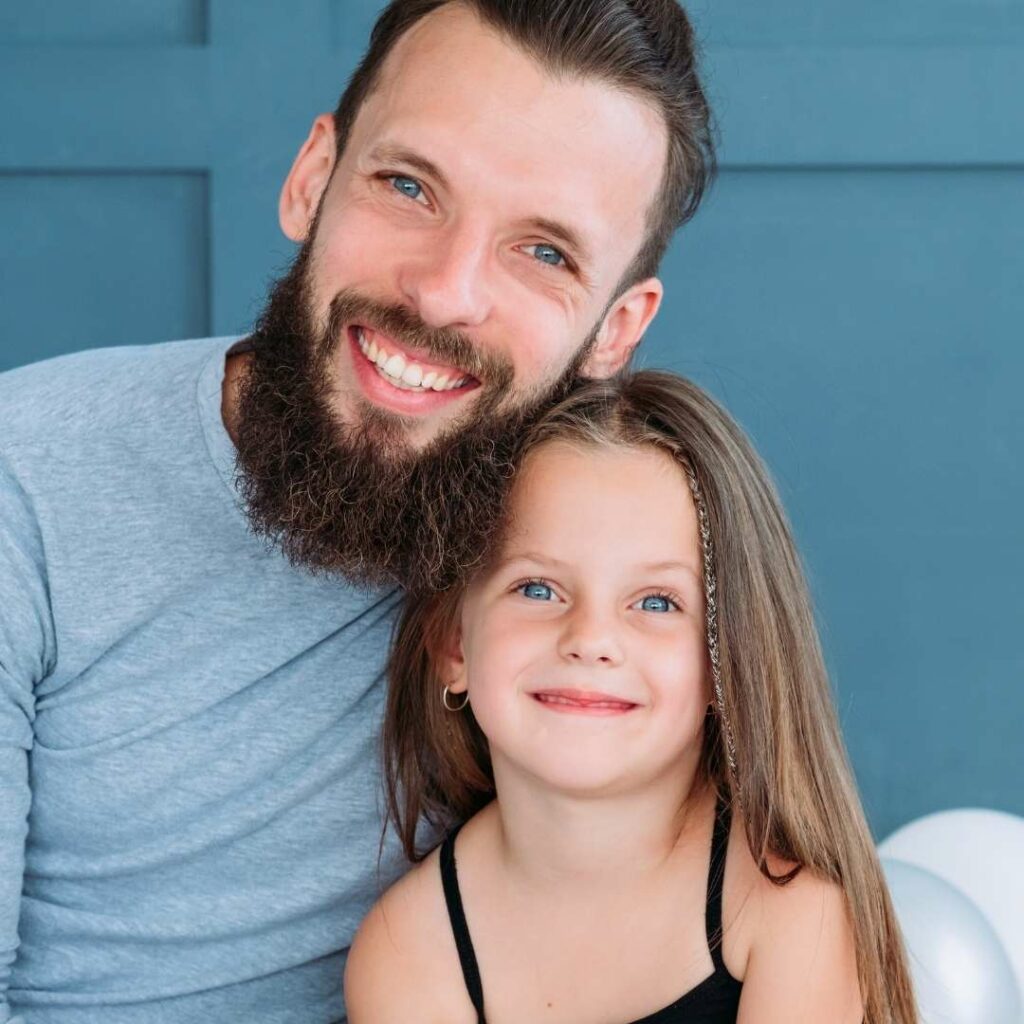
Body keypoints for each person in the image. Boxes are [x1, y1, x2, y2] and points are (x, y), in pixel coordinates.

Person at [0, 1, 715, 1020]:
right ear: (311, 178)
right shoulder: (22, 479)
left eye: (545, 252)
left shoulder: (604, 582)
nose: (442, 292)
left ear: (615, 329)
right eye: (409, 186)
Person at [344, 372, 919, 1024]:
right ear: (454, 645)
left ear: (726, 660)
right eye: (537, 588)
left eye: (655, 602)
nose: (591, 639)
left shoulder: (788, 909)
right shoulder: (410, 953)